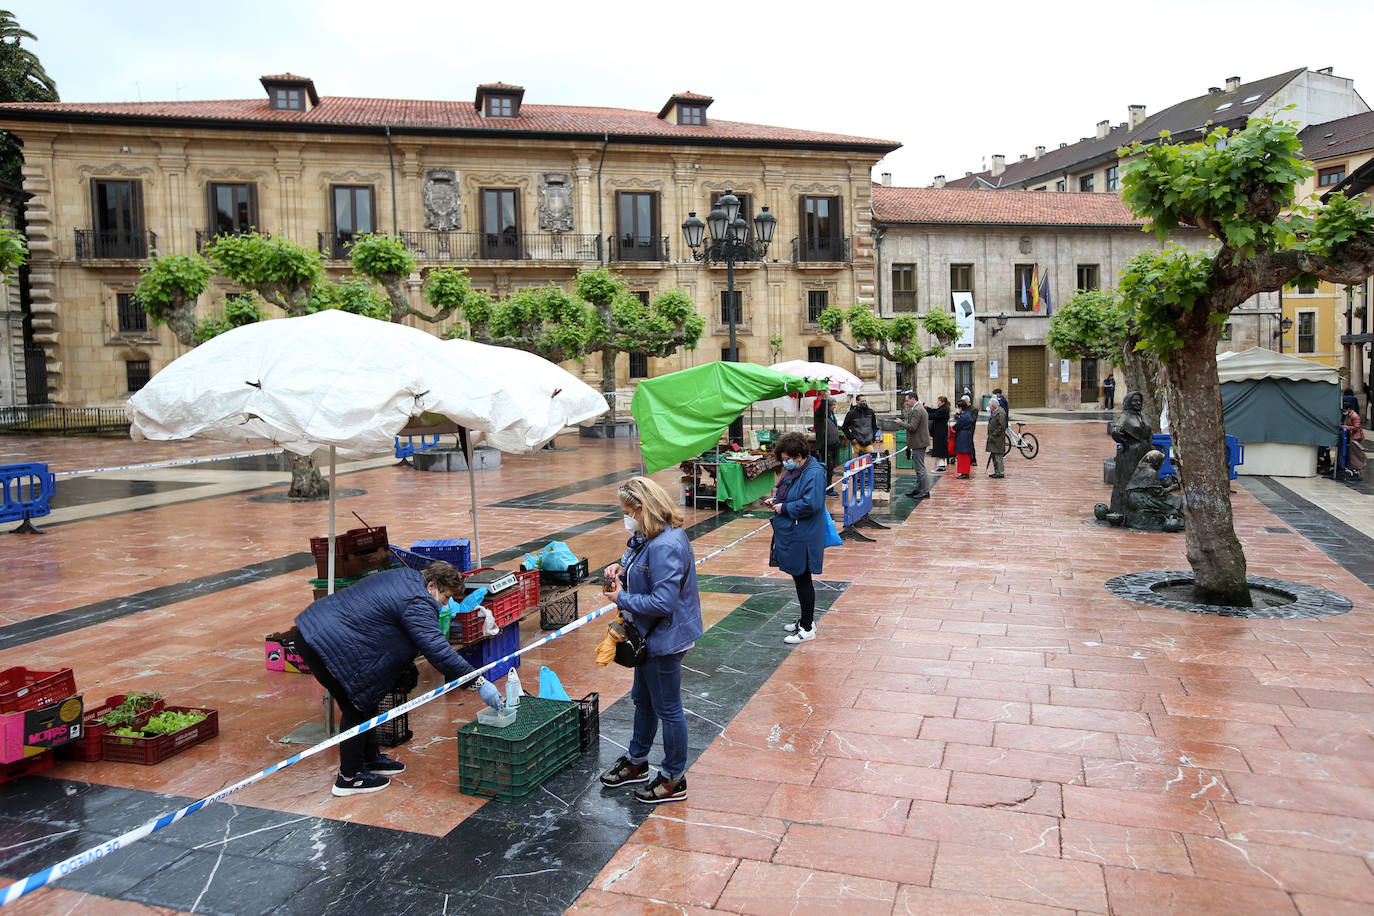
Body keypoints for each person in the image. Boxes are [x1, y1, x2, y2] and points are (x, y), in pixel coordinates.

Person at [293, 561, 504, 797]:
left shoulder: (408, 578)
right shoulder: (418, 601)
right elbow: (437, 650)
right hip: (323, 643)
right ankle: (349, 777)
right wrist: (479, 682)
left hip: (323, 632)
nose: (447, 603)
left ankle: (369, 759)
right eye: (445, 597)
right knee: (354, 705)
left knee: (367, 699)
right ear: (433, 585)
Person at [599, 477, 703, 804]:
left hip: (665, 639)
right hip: (648, 636)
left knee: (668, 708)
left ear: (642, 509)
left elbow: (662, 602)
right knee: (643, 700)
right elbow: (638, 562)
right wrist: (621, 569)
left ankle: (674, 778)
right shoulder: (647, 536)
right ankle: (637, 761)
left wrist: (621, 598)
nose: (625, 516)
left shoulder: (666, 545)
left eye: (627, 510)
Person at [764, 432, 828, 645]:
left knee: (803, 578)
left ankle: (808, 627)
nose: (785, 463)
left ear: (799, 456)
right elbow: (793, 494)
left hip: (804, 534)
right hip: (794, 531)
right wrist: (777, 500)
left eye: (787, 459)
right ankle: (805, 619)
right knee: (799, 577)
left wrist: (785, 507)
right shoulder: (799, 471)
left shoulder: (814, 473)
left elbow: (811, 503)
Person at [1109, 391, 1154, 516]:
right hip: (1131, 453)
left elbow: (1149, 431)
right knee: (1129, 480)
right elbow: (1116, 431)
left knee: (1144, 478)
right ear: (1129, 402)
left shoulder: (1143, 416)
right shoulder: (1125, 416)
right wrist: (1125, 443)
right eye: (1134, 400)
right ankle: (1126, 508)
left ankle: (1144, 507)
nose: (1138, 403)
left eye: (1139, 400)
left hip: (1144, 451)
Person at [896, 391, 932, 500]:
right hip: (919, 441)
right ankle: (919, 488)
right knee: (918, 467)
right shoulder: (920, 408)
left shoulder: (917, 410)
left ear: (913, 399)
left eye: (907, 400)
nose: (906, 403)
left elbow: (912, 427)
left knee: (920, 468)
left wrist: (900, 422)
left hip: (919, 442)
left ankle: (925, 491)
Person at [812, 396, 843, 490]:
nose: (834, 407)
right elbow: (822, 409)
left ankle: (829, 486)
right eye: (832, 405)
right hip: (825, 446)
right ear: (827, 405)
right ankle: (827, 488)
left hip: (834, 445)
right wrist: (824, 398)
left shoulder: (831, 414)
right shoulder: (820, 414)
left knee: (831, 467)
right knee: (827, 467)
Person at [952, 398, 976, 478]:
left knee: (963, 456)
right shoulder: (967, 415)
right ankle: (964, 472)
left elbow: (957, 426)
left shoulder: (964, 416)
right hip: (966, 436)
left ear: (961, 408)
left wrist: (953, 427)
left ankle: (964, 472)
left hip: (963, 437)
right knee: (964, 455)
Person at [986, 397, 1008, 478]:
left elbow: (1002, 426)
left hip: (997, 438)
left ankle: (1000, 472)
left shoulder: (1000, 413)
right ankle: (996, 471)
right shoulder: (994, 412)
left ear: (993, 406)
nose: (988, 407)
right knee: (994, 455)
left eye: (989, 405)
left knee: (998, 455)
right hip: (993, 438)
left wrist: (994, 434)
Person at [928, 395, 951, 472]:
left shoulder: (944, 410)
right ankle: (942, 465)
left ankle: (941, 466)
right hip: (939, 432)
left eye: (939, 401)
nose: (937, 403)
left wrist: (925, 415)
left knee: (939, 449)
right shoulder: (942, 409)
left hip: (940, 432)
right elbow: (933, 410)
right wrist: (925, 408)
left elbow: (934, 415)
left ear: (943, 402)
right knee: (940, 448)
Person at [1342, 405, 1366, 476]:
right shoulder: (1350, 415)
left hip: (1356, 437)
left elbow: (1356, 427)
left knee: (1355, 453)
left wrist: (1345, 427)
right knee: (1353, 453)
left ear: (1348, 409)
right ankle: (1354, 467)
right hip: (1352, 436)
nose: (1344, 412)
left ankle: (1357, 467)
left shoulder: (1354, 416)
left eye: (1344, 410)